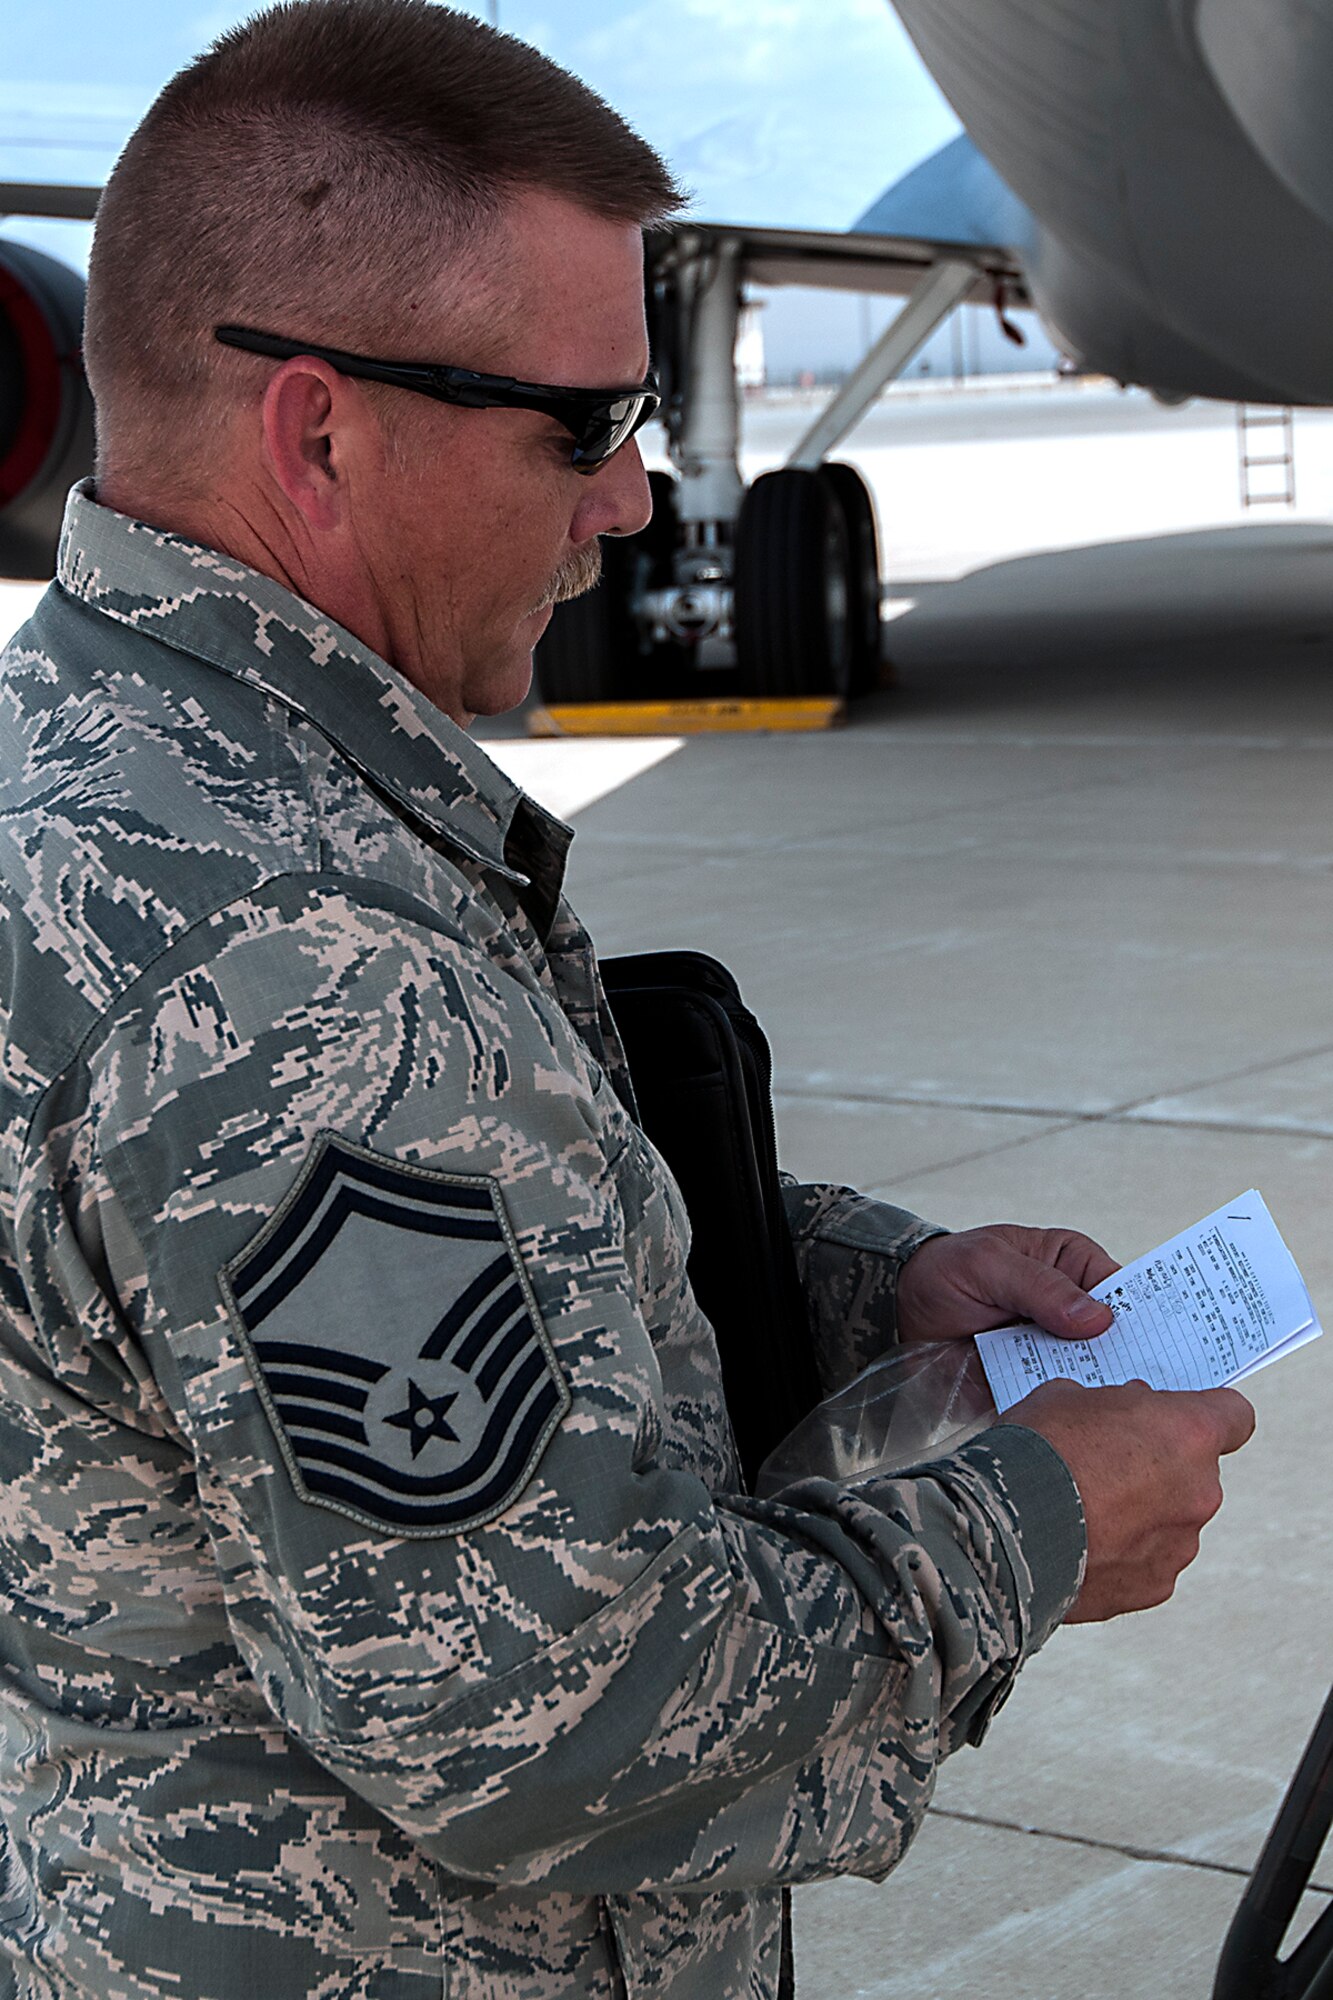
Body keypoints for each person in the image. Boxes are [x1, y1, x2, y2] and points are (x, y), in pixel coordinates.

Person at [0, 5, 1254, 1996]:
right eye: (579, 424)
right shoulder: (298, 971)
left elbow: (282, 1339)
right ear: (317, 431)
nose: (635, 498)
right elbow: (550, 1724)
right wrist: (1028, 1521)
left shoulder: (105, 768)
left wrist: (846, 1283)